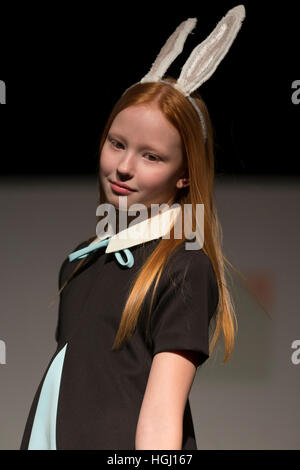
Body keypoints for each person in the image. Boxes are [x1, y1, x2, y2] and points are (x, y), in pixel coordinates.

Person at [20, 6, 246, 450]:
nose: (123, 167)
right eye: (117, 144)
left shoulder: (183, 267)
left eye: (151, 156)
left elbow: (163, 416)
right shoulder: (80, 262)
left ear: (185, 173)